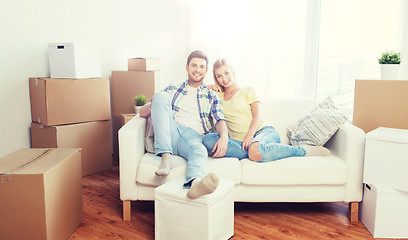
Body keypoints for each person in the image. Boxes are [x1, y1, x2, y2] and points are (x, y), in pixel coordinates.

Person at [139, 51, 229, 199]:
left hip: (194, 137)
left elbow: (220, 118)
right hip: (170, 131)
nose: (197, 70)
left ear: (206, 71)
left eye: (201, 67)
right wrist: (155, 104)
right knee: (160, 96)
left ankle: (195, 184)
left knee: (200, 152)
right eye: (194, 65)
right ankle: (165, 157)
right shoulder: (172, 87)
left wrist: (224, 136)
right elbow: (142, 112)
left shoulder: (211, 94)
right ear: (187, 67)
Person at [203, 59, 330, 162]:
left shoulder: (247, 90)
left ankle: (302, 151)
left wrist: (249, 136)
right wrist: (207, 86)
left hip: (262, 133)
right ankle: (257, 152)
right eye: (219, 76)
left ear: (232, 71)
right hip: (239, 144)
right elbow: (195, 90)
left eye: (226, 73)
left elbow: (257, 115)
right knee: (207, 140)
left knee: (255, 149)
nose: (224, 79)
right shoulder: (217, 96)